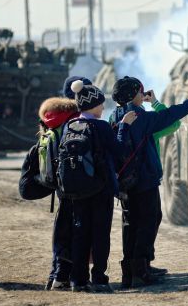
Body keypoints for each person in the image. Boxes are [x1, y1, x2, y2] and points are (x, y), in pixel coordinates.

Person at [109, 76, 188, 288]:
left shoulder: (114, 115)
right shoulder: (140, 116)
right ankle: (141, 271)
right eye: (140, 91)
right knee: (149, 221)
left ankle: (130, 271)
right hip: (144, 181)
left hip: (124, 182)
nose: (143, 94)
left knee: (130, 224)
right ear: (133, 95)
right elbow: (171, 116)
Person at [62, 79, 136, 292]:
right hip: (100, 189)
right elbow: (120, 151)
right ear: (92, 104)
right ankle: (99, 278)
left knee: (80, 234)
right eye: (101, 104)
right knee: (100, 235)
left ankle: (78, 279)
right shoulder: (101, 126)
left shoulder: (71, 125)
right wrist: (123, 127)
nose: (104, 107)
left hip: (76, 190)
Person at [46, 76, 92, 291]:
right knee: (79, 232)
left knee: (61, 231)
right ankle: (73, 276)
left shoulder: (52, 118)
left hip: (60, 184)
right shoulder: (79, 119)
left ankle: (56, 275)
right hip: (79, 185)